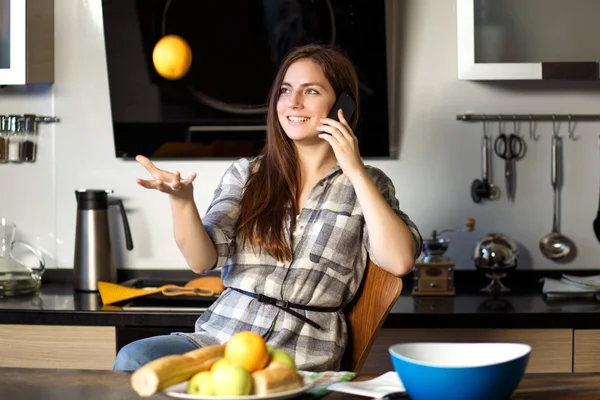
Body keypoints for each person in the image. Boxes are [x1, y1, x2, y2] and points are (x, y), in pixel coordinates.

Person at [113, 43, 422, 372]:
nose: (293, 103)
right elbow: (201, 261)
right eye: (285, 91)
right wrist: (181, 200)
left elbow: (400, 260)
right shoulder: (247, 174)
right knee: (134, 358)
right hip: (220, 339)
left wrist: (355, 171)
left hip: (299, 354)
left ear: (342, 105)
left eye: (311, 91)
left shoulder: (369, 184)